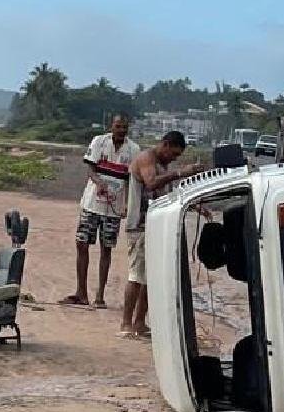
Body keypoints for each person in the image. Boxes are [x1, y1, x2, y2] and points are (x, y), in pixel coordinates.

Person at [119, 131, 202, 337]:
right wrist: (179, 173)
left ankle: (139, 321)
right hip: (139, 226)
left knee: (149, 278)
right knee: (136, 276)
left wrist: (194, 205)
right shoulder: (147, 159)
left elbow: (165, 196)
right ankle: (125, 323)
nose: (173, 159)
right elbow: (151, 183)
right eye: (173, 154)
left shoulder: (162, 164)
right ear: (165, 144)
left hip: (154, 226)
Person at [61, 114, 140, 308]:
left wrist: (127, 205)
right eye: (118, 126)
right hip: (91, 203)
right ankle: (81, 292)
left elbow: (131, 180)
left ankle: (100, 296)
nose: (121, 130)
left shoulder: (134, 149)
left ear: (128, 129)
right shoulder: (99, 142)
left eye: (124, 127)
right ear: (111, 126)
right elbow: (90, 170)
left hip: (113, 208)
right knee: (82, 244)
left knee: (106, 249)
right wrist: (99, 182)